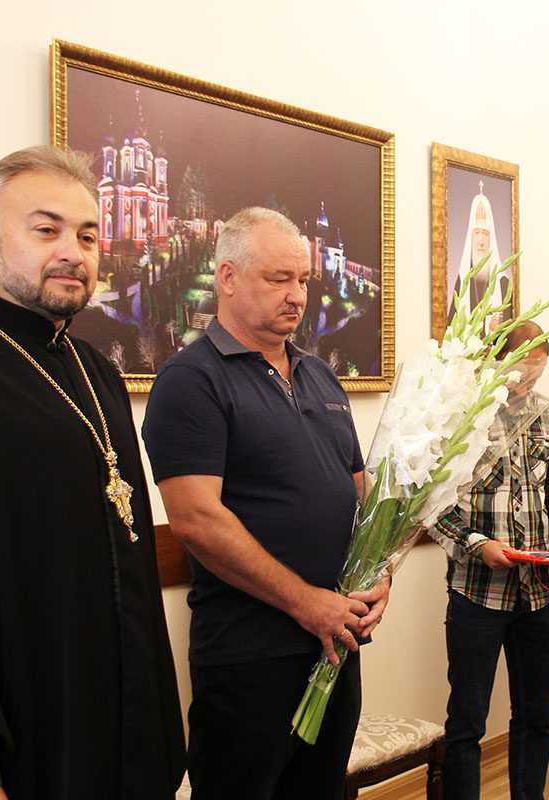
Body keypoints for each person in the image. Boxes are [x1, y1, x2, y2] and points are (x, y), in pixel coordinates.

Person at [0, 146, 185, 799]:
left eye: (86, 235)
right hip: (20, 745)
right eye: (46, 229)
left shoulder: (99, 372)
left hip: (124, 737)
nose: (72, 252)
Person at [142, 208, 388, 799]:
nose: (297, 295)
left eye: (302, 279)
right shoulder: (191, 380)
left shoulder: (321, 376)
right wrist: (307, 603)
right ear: (228, 277)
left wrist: (379, 571)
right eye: (279, 279)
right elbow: (196, 520)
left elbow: (360, 492)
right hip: (250, 660)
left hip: (334, 647)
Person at [430, 321, 549, 800]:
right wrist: (478, 545)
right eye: (523, 371)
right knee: (467, 722)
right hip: (477, 593)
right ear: (496, 360)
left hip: (539, 594)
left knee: (535, 717)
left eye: (539, 373)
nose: (529, 382)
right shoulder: (461, 413)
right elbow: (431, 507)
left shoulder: (548, 413)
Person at [448, 184, 510, 331]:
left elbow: (511, 331)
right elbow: (450, 330)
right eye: (477, 233)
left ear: (491, 239)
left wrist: (499, 328)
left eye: (485, 234)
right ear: (471, 238)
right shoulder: (463, 280)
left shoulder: (503, 283)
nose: (481, 241)